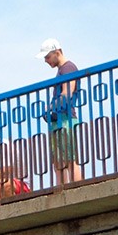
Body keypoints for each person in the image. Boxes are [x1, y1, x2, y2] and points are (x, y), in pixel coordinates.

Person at [36, 38, 84, 184]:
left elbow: (67, 93)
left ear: (57, 52)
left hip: (66, 120)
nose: (46, 60)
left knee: (69, 159)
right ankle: (62, 188)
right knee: (59, 162)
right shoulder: (62, 70)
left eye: (47, 57)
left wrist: (49, 108)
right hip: (59, 120)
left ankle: (76, 187)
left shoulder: (68, 68)